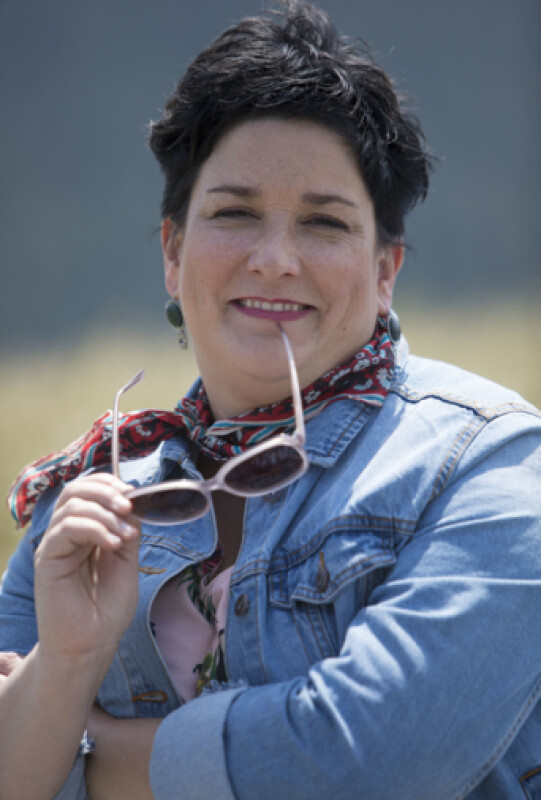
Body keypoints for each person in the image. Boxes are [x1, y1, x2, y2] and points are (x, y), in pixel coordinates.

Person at [1, 1, 540, 798]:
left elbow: (370, 759)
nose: (275, 259)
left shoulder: (489, 465)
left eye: (323, 223)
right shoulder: (81, 506)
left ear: (384, 270)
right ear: (172, 253)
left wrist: (90, 757)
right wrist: (69, 661)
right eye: (234, 213)